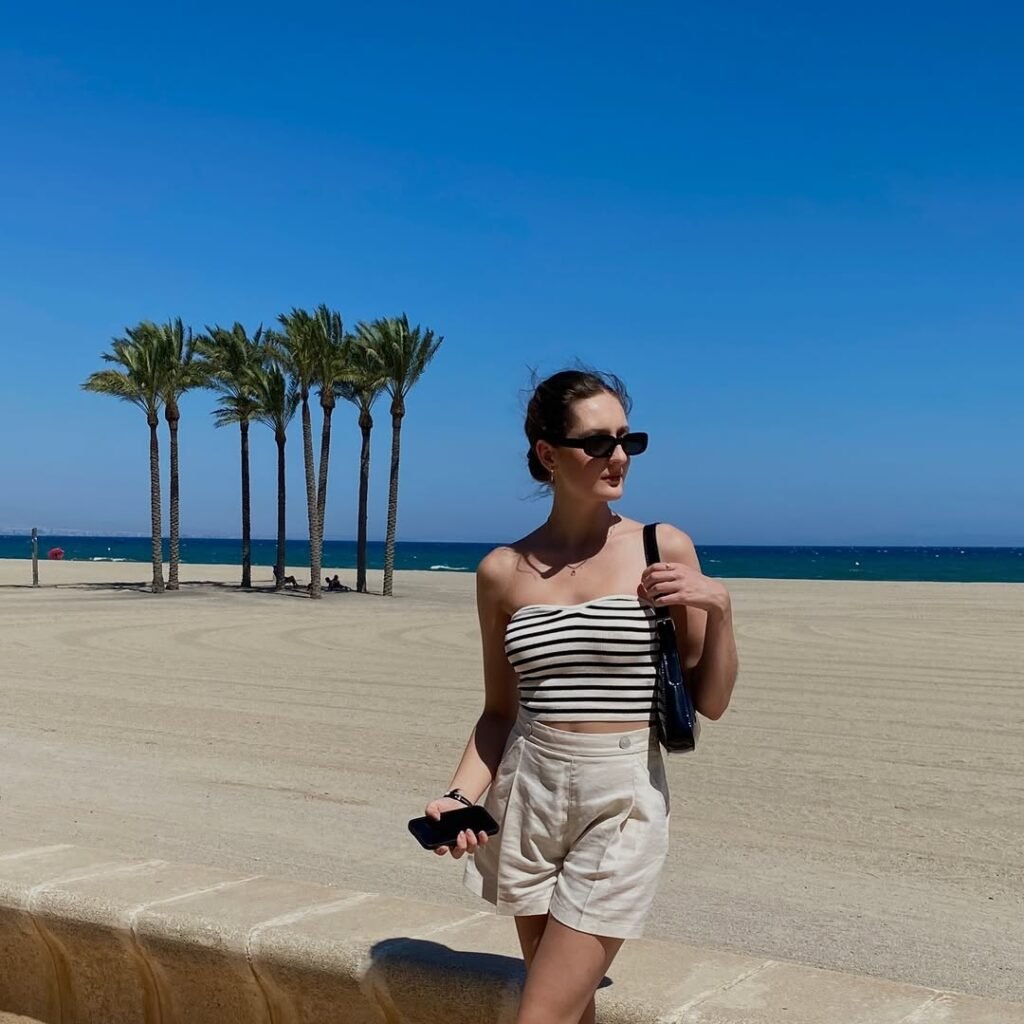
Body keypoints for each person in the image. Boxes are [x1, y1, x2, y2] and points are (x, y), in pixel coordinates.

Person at [423, 369, 739, 1024]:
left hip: (621, 797)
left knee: (540, 1015)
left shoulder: (661, 546)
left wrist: (720, 608)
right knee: (570, 1011)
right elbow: (499, 713)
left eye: (627, 439)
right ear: (548, 453)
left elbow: (709, 700)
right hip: (527, 795)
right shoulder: (501, 572)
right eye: (597, 442)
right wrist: (459, 795)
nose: (618, 456)